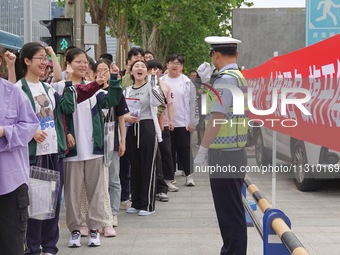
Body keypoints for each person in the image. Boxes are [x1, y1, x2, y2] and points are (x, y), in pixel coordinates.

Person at [57, 48, 122, 248]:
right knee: (73, 194)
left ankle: (94, 229)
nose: (83, 65)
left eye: (85, 62)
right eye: (78, 61)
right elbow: (65, 110)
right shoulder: (60, 86)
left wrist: (115, 79)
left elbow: (112, 101)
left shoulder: (95, 89)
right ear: (67, 63)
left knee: (96, 192)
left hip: (94, 148)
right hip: (72, 151)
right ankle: (76, 230)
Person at [194, 36, 249, 255]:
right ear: (236, 54)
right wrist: (207, 84)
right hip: (235, 151)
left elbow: (217, 116)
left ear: (216, 55)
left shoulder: (226, 79)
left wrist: (202, 149)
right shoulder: (237, 76)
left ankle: (233, 252)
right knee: (231, 209)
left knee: (229, 212)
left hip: (225, 154)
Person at [0, 77, 39, 255]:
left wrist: (4, 131)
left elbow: (30, 126)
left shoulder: (13, 92)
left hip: (10, 183)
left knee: (11, 245)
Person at [125, 60, 164, 216]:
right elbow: (122, 110)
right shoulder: (127, 90)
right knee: (135, 166)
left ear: (147, 71)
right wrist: (127, 117)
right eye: (136, 66)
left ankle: (148, 205)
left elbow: (158, 102)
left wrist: (154, 82)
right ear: (131, 71)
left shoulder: (151, 87)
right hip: (132, 128)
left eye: (142, 67)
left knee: (148, 165)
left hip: (147, 126)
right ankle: (136, 201)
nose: (139, 69)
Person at [160, 54, 198, 186]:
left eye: (178, 63)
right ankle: (169, 177)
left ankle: (189, 175)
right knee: (168, 151)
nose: (174, 65)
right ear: (167, 65)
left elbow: (193, 103)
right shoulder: (161, 81)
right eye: (172, 62)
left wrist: (193, 121)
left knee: (184, 149)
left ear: (182, 67)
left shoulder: (187, 82)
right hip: (165, 122)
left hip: (183, 122)